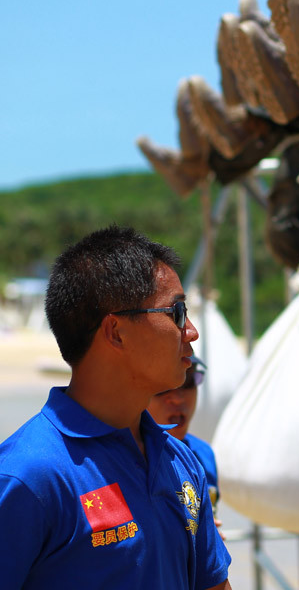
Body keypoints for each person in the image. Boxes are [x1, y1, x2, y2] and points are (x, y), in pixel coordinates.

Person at [0, 226, 232, 589]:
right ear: (116, 332)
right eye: (177, 311)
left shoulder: (181, 461)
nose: (191, 331)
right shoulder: (28, 477)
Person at [147, 356, 221, 516]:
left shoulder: (202, 454)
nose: (178, 398)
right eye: (163, 386)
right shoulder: (124, 460)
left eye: (188, 382)